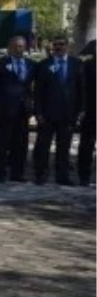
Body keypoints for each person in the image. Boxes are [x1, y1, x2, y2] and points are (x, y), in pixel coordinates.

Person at [33, 36, 85, 186]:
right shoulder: (43, 65)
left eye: (61, 45)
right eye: (55, 45)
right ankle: (40, 174)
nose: (58, 47)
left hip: (68, 113)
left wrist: (82, 109)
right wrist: (38, 112)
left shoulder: (77, 64)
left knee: (64, 147)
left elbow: (81, 89)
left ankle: (62, 176)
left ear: (67, 46)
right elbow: (38, 91)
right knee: (43, 146)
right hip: (47, 114)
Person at [0, 36, 36, 183]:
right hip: (3, 109)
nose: (18, 49)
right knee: (1, 143)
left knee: (20, 144)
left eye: (21, 46)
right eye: (15, 46)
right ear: (9, 47)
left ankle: (17, 173)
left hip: (22, 111)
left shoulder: (32, 65)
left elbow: (34, 87)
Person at [78, 52, 97, 187]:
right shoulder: (88, 65)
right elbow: (81, 88)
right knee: (87, 145)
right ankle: (84, 176)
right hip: (91, 111)